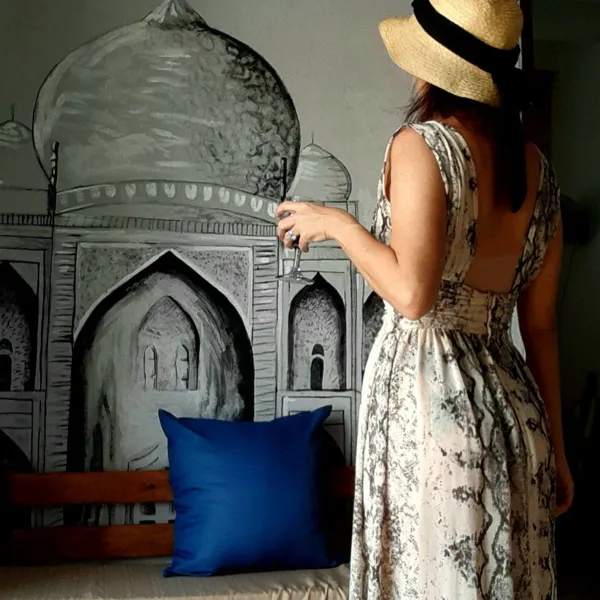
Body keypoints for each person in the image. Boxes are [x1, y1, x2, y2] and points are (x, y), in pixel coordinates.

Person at [276, 0, 574, 597]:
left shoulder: (423, 146)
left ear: (432, 68)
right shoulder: (537, 171)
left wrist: (338, 224)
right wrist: (559, 451)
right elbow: (540, 325)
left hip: (430, 406)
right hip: (516, 418)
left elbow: (414, 296)